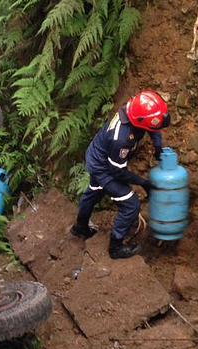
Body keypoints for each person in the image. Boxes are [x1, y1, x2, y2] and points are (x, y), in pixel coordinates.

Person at [70, 90, 170, 259]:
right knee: (131, 204)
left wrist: (158, 148)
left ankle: (80, 227)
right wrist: (143, 183)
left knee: (94, 191)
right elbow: (117, 172)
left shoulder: (134, 112)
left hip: (97, 153)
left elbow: (153, 127)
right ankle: (115, 247)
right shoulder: (121, 139)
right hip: (103, 167)